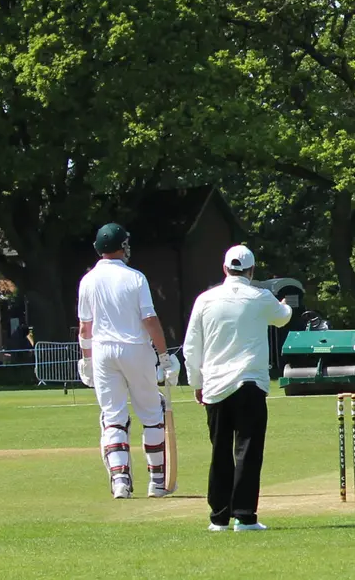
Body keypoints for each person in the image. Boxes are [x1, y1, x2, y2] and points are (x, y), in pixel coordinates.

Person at [183, 245, 292, 531]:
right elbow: (283, 317)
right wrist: (286, 304)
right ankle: (244, 516)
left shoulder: (205, 300)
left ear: (225, 269)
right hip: (250, 383)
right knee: (248, 449)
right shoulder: (260, 297)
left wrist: (196, 382)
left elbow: (192, 346)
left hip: (216, 385)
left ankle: (218, 518)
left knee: (219, 450)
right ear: (251, 270)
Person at [75, 223, 177, 499]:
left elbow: (85, 328)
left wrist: (86, 359)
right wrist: (165, 356)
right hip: (135, 349)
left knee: (113, 418)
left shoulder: (88, 280)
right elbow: (149, 319)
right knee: (152, 415)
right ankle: (157, 482)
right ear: (122, 246)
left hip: (103, 351)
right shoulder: (135, 278)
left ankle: (120, 480)